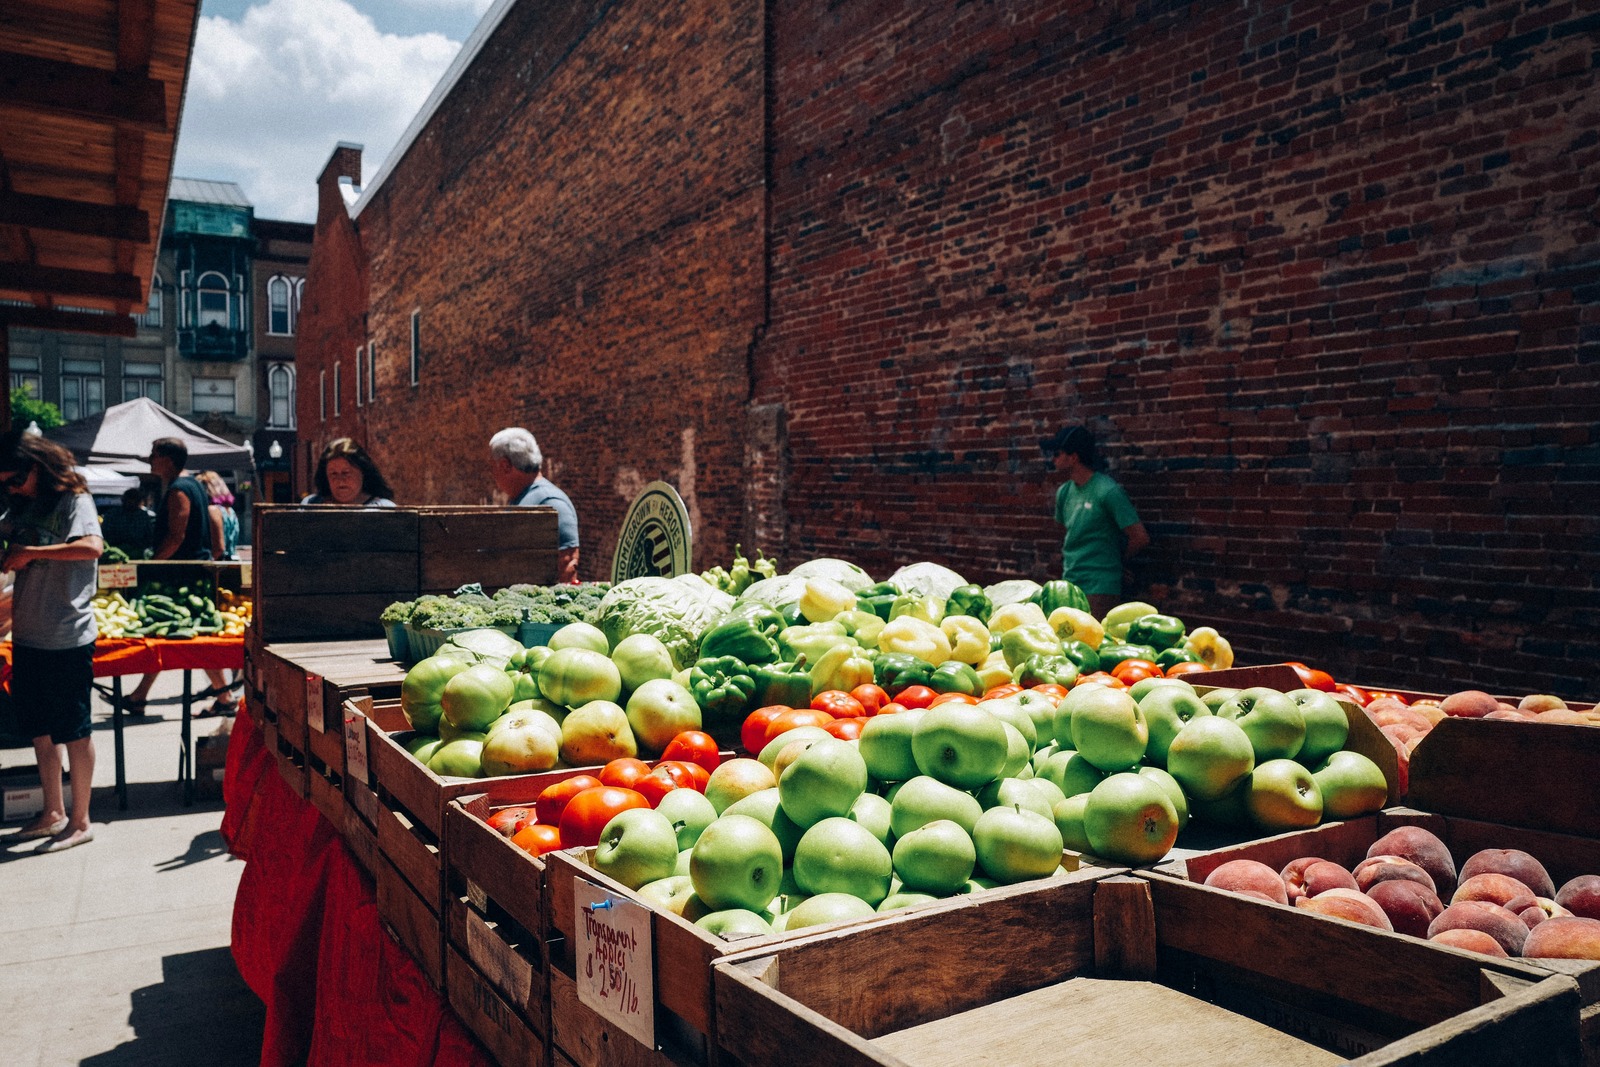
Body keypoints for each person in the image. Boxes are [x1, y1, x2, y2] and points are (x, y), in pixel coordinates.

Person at [0, 431, 102, 852]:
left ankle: (80, 821)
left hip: (66, 636)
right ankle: (53, 812)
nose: (11, 488)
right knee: (40, 732)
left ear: (37, 467)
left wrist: (32, 553)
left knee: (74, 731)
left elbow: (92, 547)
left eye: (15, 480)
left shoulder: (75, 500)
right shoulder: (22, 506)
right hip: (28, 635)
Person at [123, 437, 215, 715]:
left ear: (168, 458)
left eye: (154, 454)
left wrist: (151, 563)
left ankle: (140, 695)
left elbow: (176, 536)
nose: (150, 459)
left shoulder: (178, 490)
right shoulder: (194, 485)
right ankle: (140, 695)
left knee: (175, 633)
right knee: (180, 635)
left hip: (180, 577)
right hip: (192, 572)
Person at [1043, 426, 1150, 619]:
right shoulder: (1064, 492)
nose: (1053, 459)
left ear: (1073, 457)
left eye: (1057, 453)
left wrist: (1116, 562)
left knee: (1095, 635)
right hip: (1069, 583)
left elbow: (1139, 537)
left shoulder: (1107, 491)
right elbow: (1066, 533)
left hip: (1100, 586)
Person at [489, 427, 579, 583]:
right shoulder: (521, 497)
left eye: (492, 466)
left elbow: (567, 565)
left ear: (505, 465)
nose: (492, 474)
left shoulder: (551, 503)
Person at [196, 471, 240, 716]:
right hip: (232, 573)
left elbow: (219, 547)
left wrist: (204, 565)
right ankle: (224, 692)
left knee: (209, 639)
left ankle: (224, 695)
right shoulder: (230, 511)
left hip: (219, 576)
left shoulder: (213, 511)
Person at [301, 438, 397, 507]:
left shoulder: (383, 508)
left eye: (346, 473)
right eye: (333, 474)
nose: (340, 480)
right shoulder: (310, 505)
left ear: (363, 473)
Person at [99, 487, 156, 558]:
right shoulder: (113, 514)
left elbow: (149, 537)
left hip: (138, 553)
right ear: (123, 500)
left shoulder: (143, 516)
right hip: (116, 552)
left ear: (139, 501)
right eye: (130, 499)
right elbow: (105, 534)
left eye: (135, 499)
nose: (131, 502)